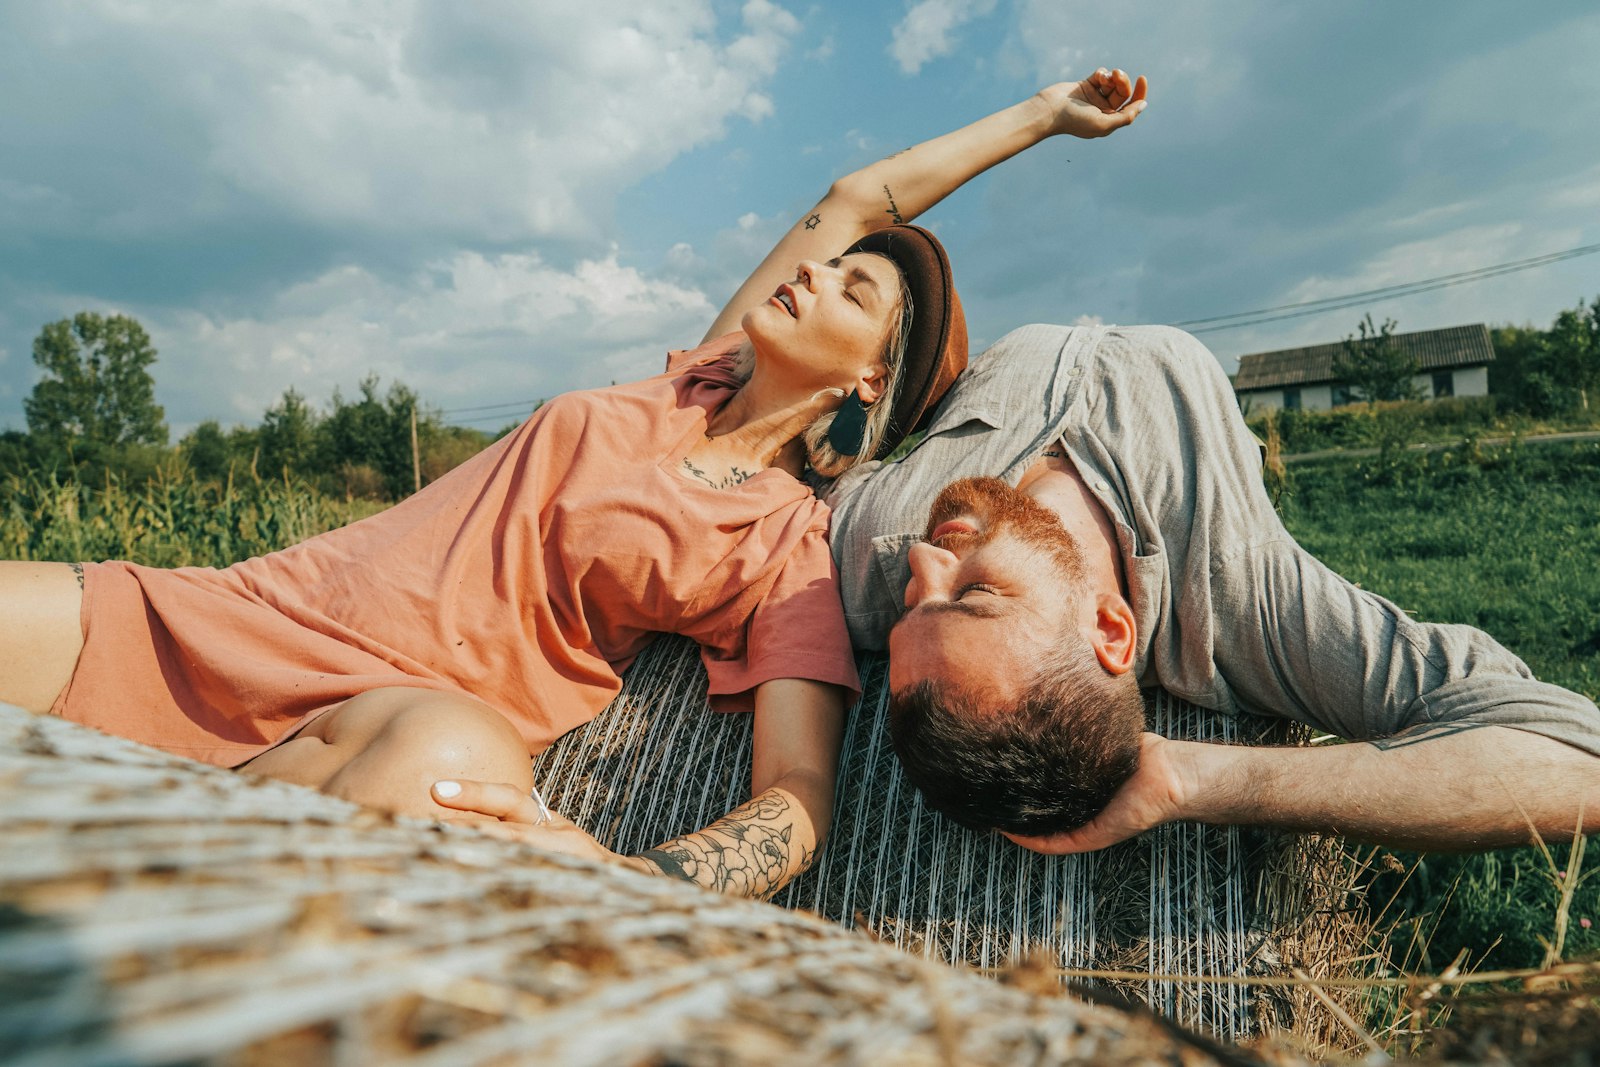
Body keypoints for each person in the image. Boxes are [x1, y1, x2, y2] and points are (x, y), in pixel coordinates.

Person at [0, 69, 1150, 897]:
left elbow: (798, 795)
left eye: (848, 291)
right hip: (235, 613)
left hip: (394, 712)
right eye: (824, 264)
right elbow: (858, 193)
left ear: (865, 383)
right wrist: (1044, 115)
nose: (812, 271)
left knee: (449, 767)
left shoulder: (784, 548)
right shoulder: (697, 378)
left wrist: (638, 878)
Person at [826, 322, 1600, 855]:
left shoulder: (858, 555)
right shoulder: (1243, 604)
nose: (925, 563)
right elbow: (1573, 754)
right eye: (974, 595)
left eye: (910, 610)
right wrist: (1197, 776)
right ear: (1111, 630)